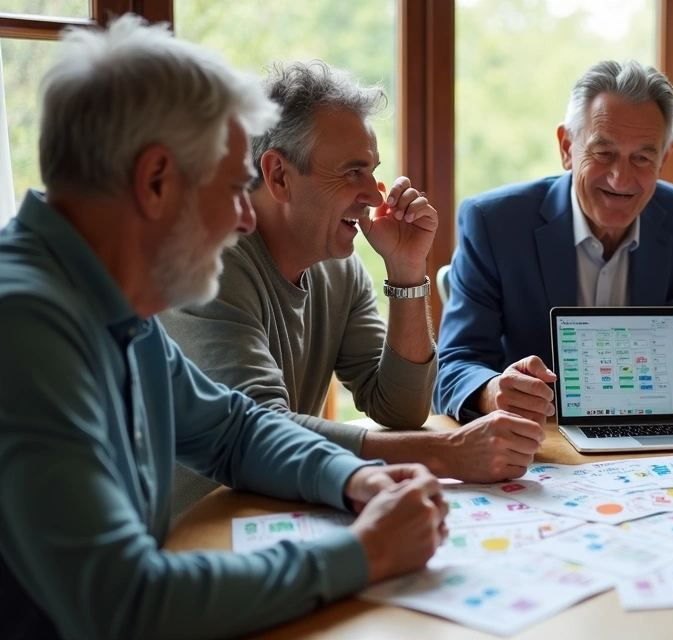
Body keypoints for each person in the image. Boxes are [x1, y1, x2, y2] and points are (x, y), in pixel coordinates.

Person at [0, 17, 448, 638]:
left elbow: (234, 431)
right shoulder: (24, 327)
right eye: (235, 187)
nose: (244, 218)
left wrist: (353, 478)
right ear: (156, 181)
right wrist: (364, 553)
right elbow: (124, 602)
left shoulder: (106, 301)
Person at [161, 61, 542, 518]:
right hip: (189, 531)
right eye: (351, 173)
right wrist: (447, 453)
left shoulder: (338, 267)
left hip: (275, 514)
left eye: (372, 171)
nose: (375, 196)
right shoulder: (208, 267)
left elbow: (399, 409)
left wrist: (407, 270)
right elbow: (262, 432)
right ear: (279, 175)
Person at [434, 60, 673, 424]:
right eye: (604, 153)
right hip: (539, 438)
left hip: (658, 437)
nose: (620, 178)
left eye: (642, 157)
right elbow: (454, 366)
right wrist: (493, 391)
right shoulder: (494, 224)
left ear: (665, 156)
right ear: (566, 147)